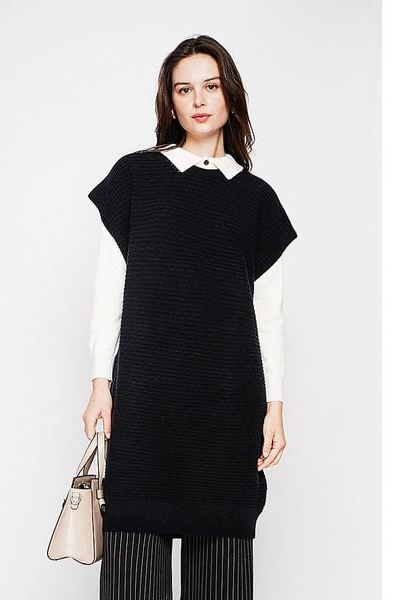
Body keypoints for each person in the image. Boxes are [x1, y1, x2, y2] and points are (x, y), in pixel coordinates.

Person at [83, 34, 298, 600]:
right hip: (146, 407)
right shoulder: (136, 178)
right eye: (184, 89)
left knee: (222, 582)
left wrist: (275, 405)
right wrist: (101, 382)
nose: (199, 100)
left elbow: (268, 315)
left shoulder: (256, 199)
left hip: (227, 410)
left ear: (231, 95)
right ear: (170, 102)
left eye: (210, 86)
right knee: (132, 579)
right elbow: (110, 288)